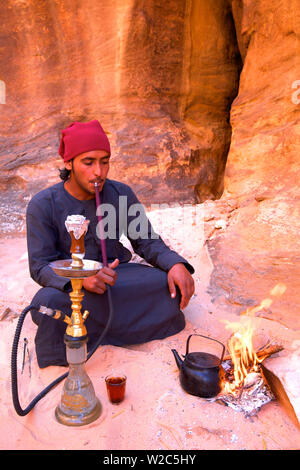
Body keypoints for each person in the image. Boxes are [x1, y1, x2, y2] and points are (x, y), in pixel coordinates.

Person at [26, 120, 195, 368]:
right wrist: (80, 280)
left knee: (165, 284)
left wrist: (175, 264)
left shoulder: (120, 194)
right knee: (45, 304)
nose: (99, 172)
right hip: (73, 288)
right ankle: (123, 328)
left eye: (104, 161)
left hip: (118, 278)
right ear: (68, 163)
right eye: (89, 162)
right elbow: (40, 267)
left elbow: (146, 241)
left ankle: (91, 332)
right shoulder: (43, 205)